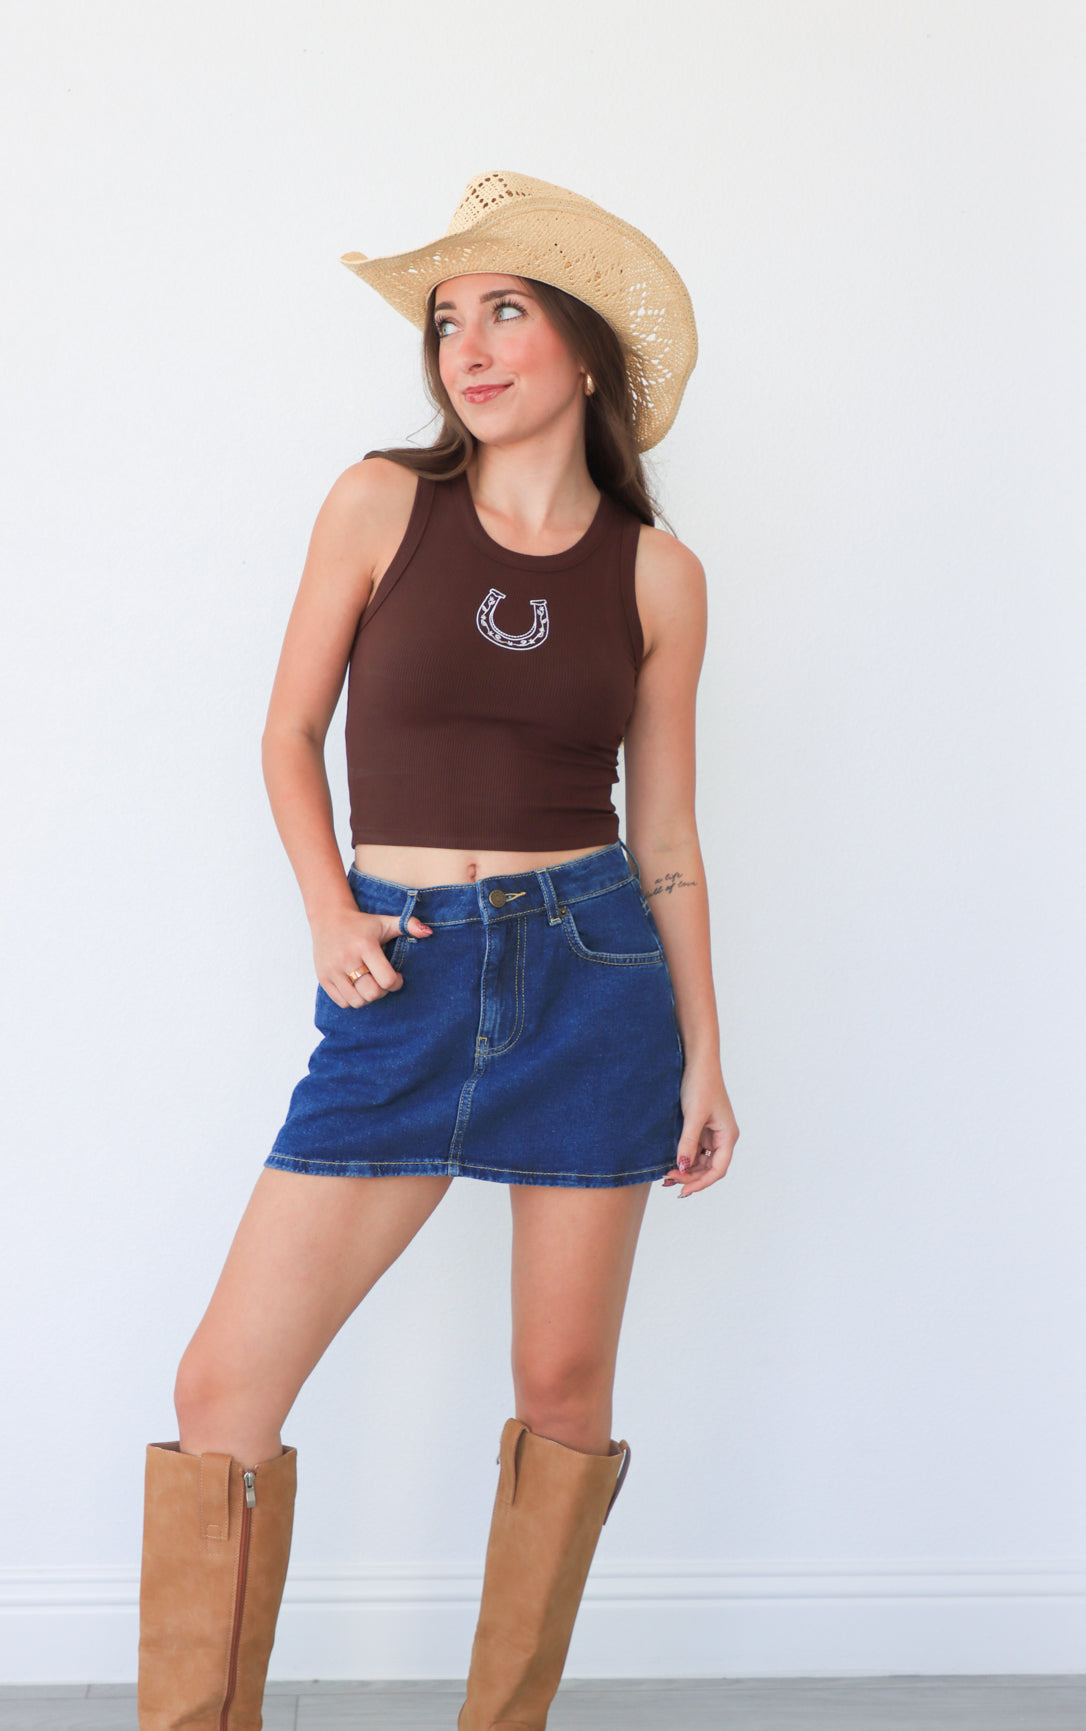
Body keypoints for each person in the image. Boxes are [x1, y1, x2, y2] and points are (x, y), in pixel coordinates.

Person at [135, 169, 739, 1731]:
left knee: (560, 1398)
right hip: (400, 978)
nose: (467, 345)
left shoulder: (657, 577)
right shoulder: (378, 502)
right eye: (447, 321)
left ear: (587, 353)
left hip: (593, 986)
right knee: (223, 1397)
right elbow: (285, 732)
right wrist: (330, 909)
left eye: (507, 312)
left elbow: (664, 840)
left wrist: (708, 1058)